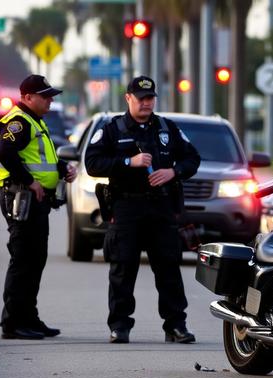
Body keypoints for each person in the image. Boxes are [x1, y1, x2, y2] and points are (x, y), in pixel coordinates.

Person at [84, 76, 201, 344]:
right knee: (123, 268)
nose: (147, 103)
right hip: (127, 206)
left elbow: (192, 158)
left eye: (150, 98)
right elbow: (92, 163)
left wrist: (173, 172)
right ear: (128, 98)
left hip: (161, 207)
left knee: (169, 268)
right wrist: (128, 161)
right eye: (141, 98)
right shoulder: (113, 129)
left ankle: (176, 326)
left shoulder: (166, 128)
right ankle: (120, 326)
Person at [0, 74, 77, 340]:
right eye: (45, 96)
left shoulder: (35, 121)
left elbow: (39, 158)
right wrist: (29, 182)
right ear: (28, 97)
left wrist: (63, 169)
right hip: (21, 197)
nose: (50, 100)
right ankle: (13, 323)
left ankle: (29, 318)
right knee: (23, 260)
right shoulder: (19, 122)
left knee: (34, 260)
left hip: (35, 201)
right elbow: (5, 153)